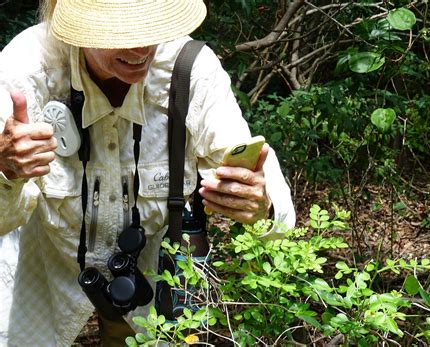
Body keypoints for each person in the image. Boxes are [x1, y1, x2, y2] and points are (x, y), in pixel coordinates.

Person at [0, 0, 295, 345]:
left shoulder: (190, 70)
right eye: (122, 33)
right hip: (41, 271)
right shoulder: (26, 70)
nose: (141, 47)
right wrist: (6, 172)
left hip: (150, 277)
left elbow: (272, 205)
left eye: (152, 27)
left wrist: (261, 205)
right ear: (80, 28)